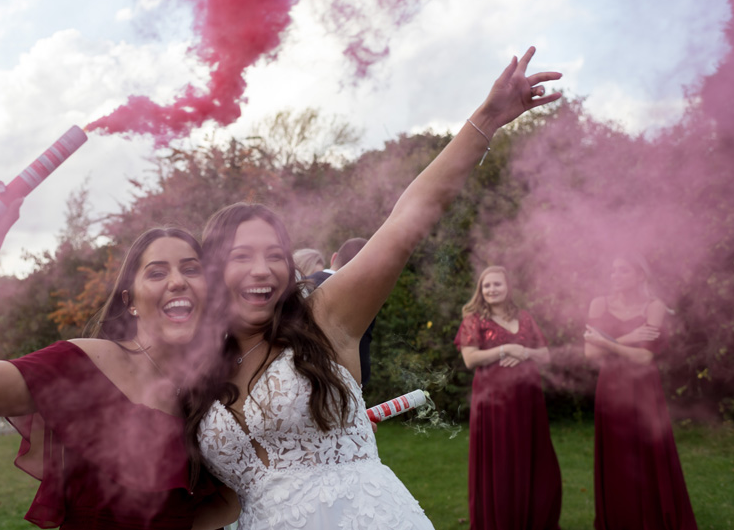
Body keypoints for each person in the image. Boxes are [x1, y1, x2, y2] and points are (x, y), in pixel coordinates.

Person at [188, 47, 562, 529]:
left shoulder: (324, 318)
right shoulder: (195, 366)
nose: (261, 270)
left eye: (275, 255)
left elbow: (408, 218)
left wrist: (487, 119)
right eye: (241, 257)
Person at [0, 185, 238, 530]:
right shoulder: (84, 365)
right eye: (157, 273)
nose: (177, 281)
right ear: (130, 301)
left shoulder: (218, 387)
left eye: (191, 270)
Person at [584, 255, 697, 530]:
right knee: (617, 453)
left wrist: (608, 343)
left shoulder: (653, 307)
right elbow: (590, 353)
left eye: (623, 271)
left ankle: (651, 519)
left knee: (648, 448)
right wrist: (629, 339)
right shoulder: (599, 304)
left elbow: (644, 358)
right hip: (610, 386)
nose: (615, 276)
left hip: (644, 386)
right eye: (613, 271)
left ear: (640, 276)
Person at [454, 266, 561, 530]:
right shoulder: (474, 320)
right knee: (500, 459)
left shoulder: (524, 318)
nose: (491, 289)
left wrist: (524, 352)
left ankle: (532, 519)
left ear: (508, 287)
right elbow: (470, 359)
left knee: (533, 456)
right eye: (486, 285)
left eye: (497, 284)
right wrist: (505, 349)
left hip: (528, 398)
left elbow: (545, 355)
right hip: (493, 400)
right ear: (481, 290)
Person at [306, 238, 375, 389]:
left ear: (334, 258)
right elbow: (362, 354)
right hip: (342, 388)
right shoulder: (363, 300)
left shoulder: (301, 285)